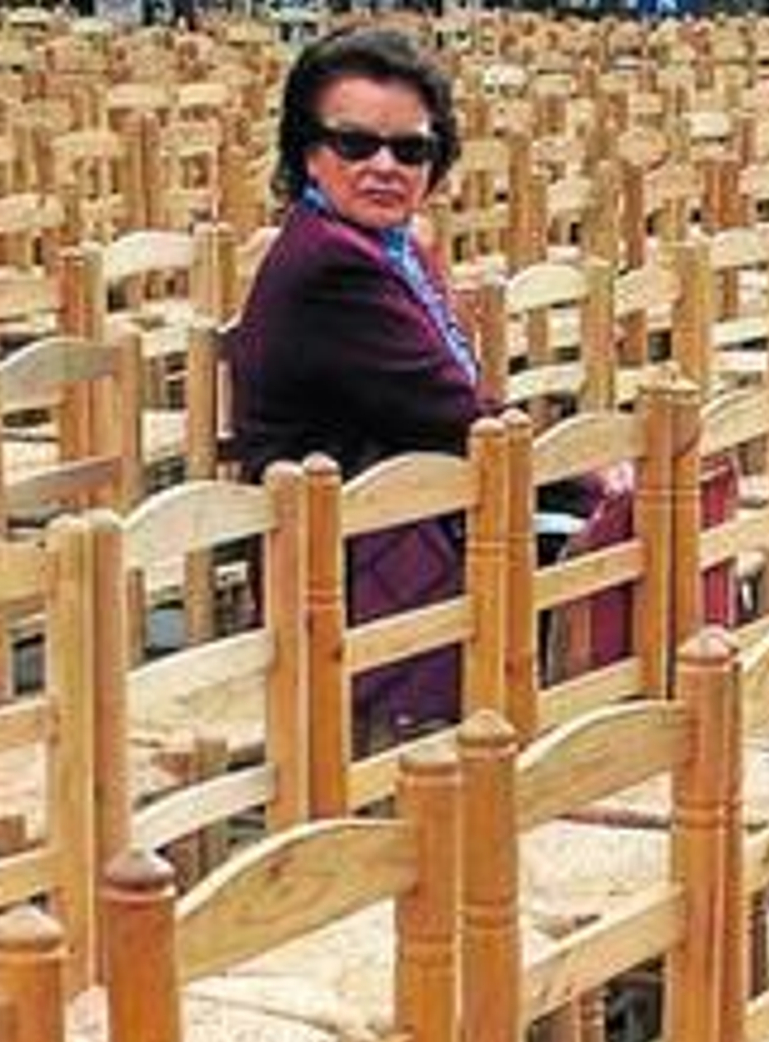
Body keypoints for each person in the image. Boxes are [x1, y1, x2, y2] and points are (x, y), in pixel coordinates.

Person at [231, 27, 506, 732]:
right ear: (309, 154)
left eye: (411, 149)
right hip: (340, 550)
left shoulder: (383, 244)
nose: (385, 165)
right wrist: (593, 476)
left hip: (397, 511)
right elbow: (452, 410)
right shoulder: (333, 264)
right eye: (356, 144)